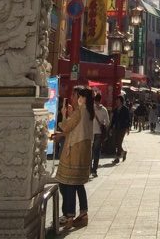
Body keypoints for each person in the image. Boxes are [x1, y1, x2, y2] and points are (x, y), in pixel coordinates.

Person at [53, 86, 94, 231]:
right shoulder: (88, 111)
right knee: (78, 184)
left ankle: (69, 216)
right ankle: (83, 214)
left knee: (66, 183)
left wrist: (64, 114)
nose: (71, 97)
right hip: (83, 154)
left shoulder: (79, 111)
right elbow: (74, 129)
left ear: (81, 97)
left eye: (74, 94)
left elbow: (66, 127)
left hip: (74, 153)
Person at [90, 91, 109, 178]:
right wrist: (103, 123)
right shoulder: (104, 109)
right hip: (99, 133)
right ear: (100, 100)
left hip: (90, 132)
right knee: (96, 152)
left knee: (90, 152)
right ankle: (94, 170)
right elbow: (107, 122)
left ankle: (89, 169)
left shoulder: (91, 108)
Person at [110, 95, 131, 164]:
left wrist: (128, 128)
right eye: (116, 100)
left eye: (118, 100)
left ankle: (117, 158)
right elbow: (113, 120)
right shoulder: (116, 109)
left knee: (119, 142)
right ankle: (123, 152)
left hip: (122, 128)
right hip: (116, 128)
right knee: (116, 142)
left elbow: (128, 119)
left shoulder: (125, 109)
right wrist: (111, 128)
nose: (117, 102)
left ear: (121, 101)